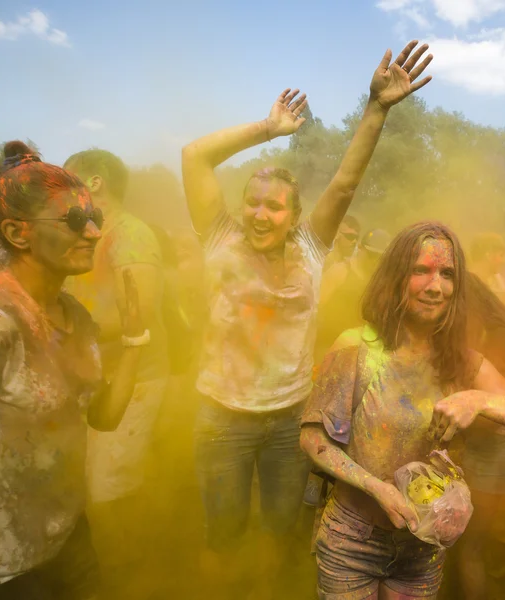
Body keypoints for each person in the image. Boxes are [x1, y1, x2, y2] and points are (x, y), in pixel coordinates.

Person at [182, 40, 434, 592]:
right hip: (220, 415)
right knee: (221, 530)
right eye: (252, 201)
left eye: (273, 206)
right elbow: (194, 156)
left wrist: (377, 108)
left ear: (294, 216)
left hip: (288, 420)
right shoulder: (220, 239)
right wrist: (269, 130)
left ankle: (269, 589)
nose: (259, 212)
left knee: (279, 527)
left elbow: (344, 183)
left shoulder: (311, 250)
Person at [300, 221, 505, 600]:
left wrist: (480, 400)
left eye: (447, 274)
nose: (435, 286)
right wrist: (376, 488)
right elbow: (312, 439)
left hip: (423, 548)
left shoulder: (464, 364)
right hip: (352, 539)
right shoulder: (357, 348)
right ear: (395, 277)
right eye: (420, 270)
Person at [0, 142, 147, 599]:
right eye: (75, 220)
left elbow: (104, 417)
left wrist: (136, 338)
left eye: (94, 216)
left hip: (69, 541)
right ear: (19, 234)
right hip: (6, 568)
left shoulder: (76, 317)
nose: (95, 232)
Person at [63, 150, 168, 595]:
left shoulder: (132, 235)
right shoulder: (90, 233)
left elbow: (136, 315)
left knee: (109, 493)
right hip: (94, 380)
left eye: (66, 182)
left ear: (95, 183)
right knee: (93, 488)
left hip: (136, 379)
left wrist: (54, 332)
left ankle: (134, 577)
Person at [454, 272, 505, 600]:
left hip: (492, 455)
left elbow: (503, 406)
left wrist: (455, 428)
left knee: (469, 549)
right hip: (487, 451)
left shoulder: (497, 336)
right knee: (467, 547)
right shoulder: (489, 329)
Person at [316, 229, 390, 363]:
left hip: (356, 354)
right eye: (372, 254)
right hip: (325, 346)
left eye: (380, 257)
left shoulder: (379, 282)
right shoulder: (340, 271)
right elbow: (315, 308)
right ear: (360, 248)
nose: (375, 261)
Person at [469, 232, 505, 299]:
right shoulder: (468, 282)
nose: (502, 261)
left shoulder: (496, 280)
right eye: (501, 255)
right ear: (488, 255)